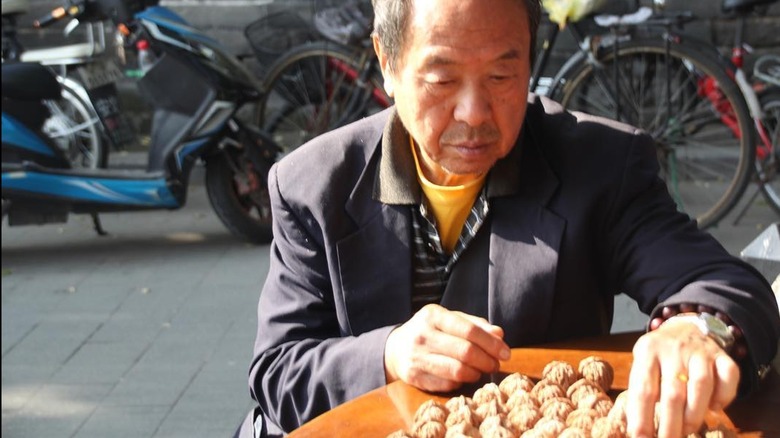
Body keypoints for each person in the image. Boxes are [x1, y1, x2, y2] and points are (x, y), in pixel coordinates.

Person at [246, 0, 780, 436]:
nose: (475, 113)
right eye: (442, 79)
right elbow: (277, 370)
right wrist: (385, 353)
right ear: (387, 61)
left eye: (504, 74)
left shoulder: (599, 167)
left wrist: (695, 327)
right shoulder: (312, 185)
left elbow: (724, 284)